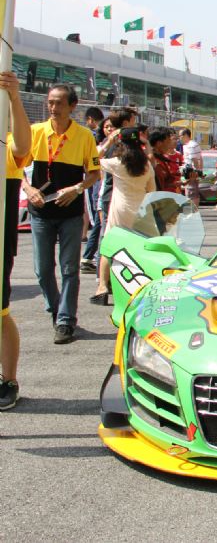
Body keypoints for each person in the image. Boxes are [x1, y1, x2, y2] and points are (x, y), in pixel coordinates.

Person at [22, 84, 101, 344]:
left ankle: (66, 320)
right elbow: (16, 166)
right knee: (42, 269)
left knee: (69, 268)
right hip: (40, 212)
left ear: (72, 106)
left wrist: (77, 188)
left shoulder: (84, 136)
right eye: (50, 102)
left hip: (71, 213)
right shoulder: (35, 132)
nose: (53, 107)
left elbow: (94, 173)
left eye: (59, 103)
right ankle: (56, 310)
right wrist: (29, 189)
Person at [92, 127, 155, 305]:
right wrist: (147, 145)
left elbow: (92, 159)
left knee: (109, 248)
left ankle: (102, 288)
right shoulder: (146, 165)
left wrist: (108, 142)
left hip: (120, 209)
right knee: (139, 249)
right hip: (141, 211)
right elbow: (152, 190)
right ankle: (139, 286)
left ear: (120, 143)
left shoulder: (117, 163)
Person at [0, 71, 33, 409]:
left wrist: (14, 97)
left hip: (0, 244)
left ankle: (8, 379)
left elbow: (23, 147)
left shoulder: (5, 146)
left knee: (1, 312)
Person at [79, 106, 105, 274]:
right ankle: (89, 257)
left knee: (98, 221)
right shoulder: (89, 136)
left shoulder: (94, 136)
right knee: (97, 221)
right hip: (92, 182)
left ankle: (90, 257)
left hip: (96, 182)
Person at [149, 126, 181, 194]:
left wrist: (176, 183)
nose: (170, 145)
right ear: (159, 143)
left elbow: (164, 183)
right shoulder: (152, 161)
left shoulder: (161, 158)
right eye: (168, 142)